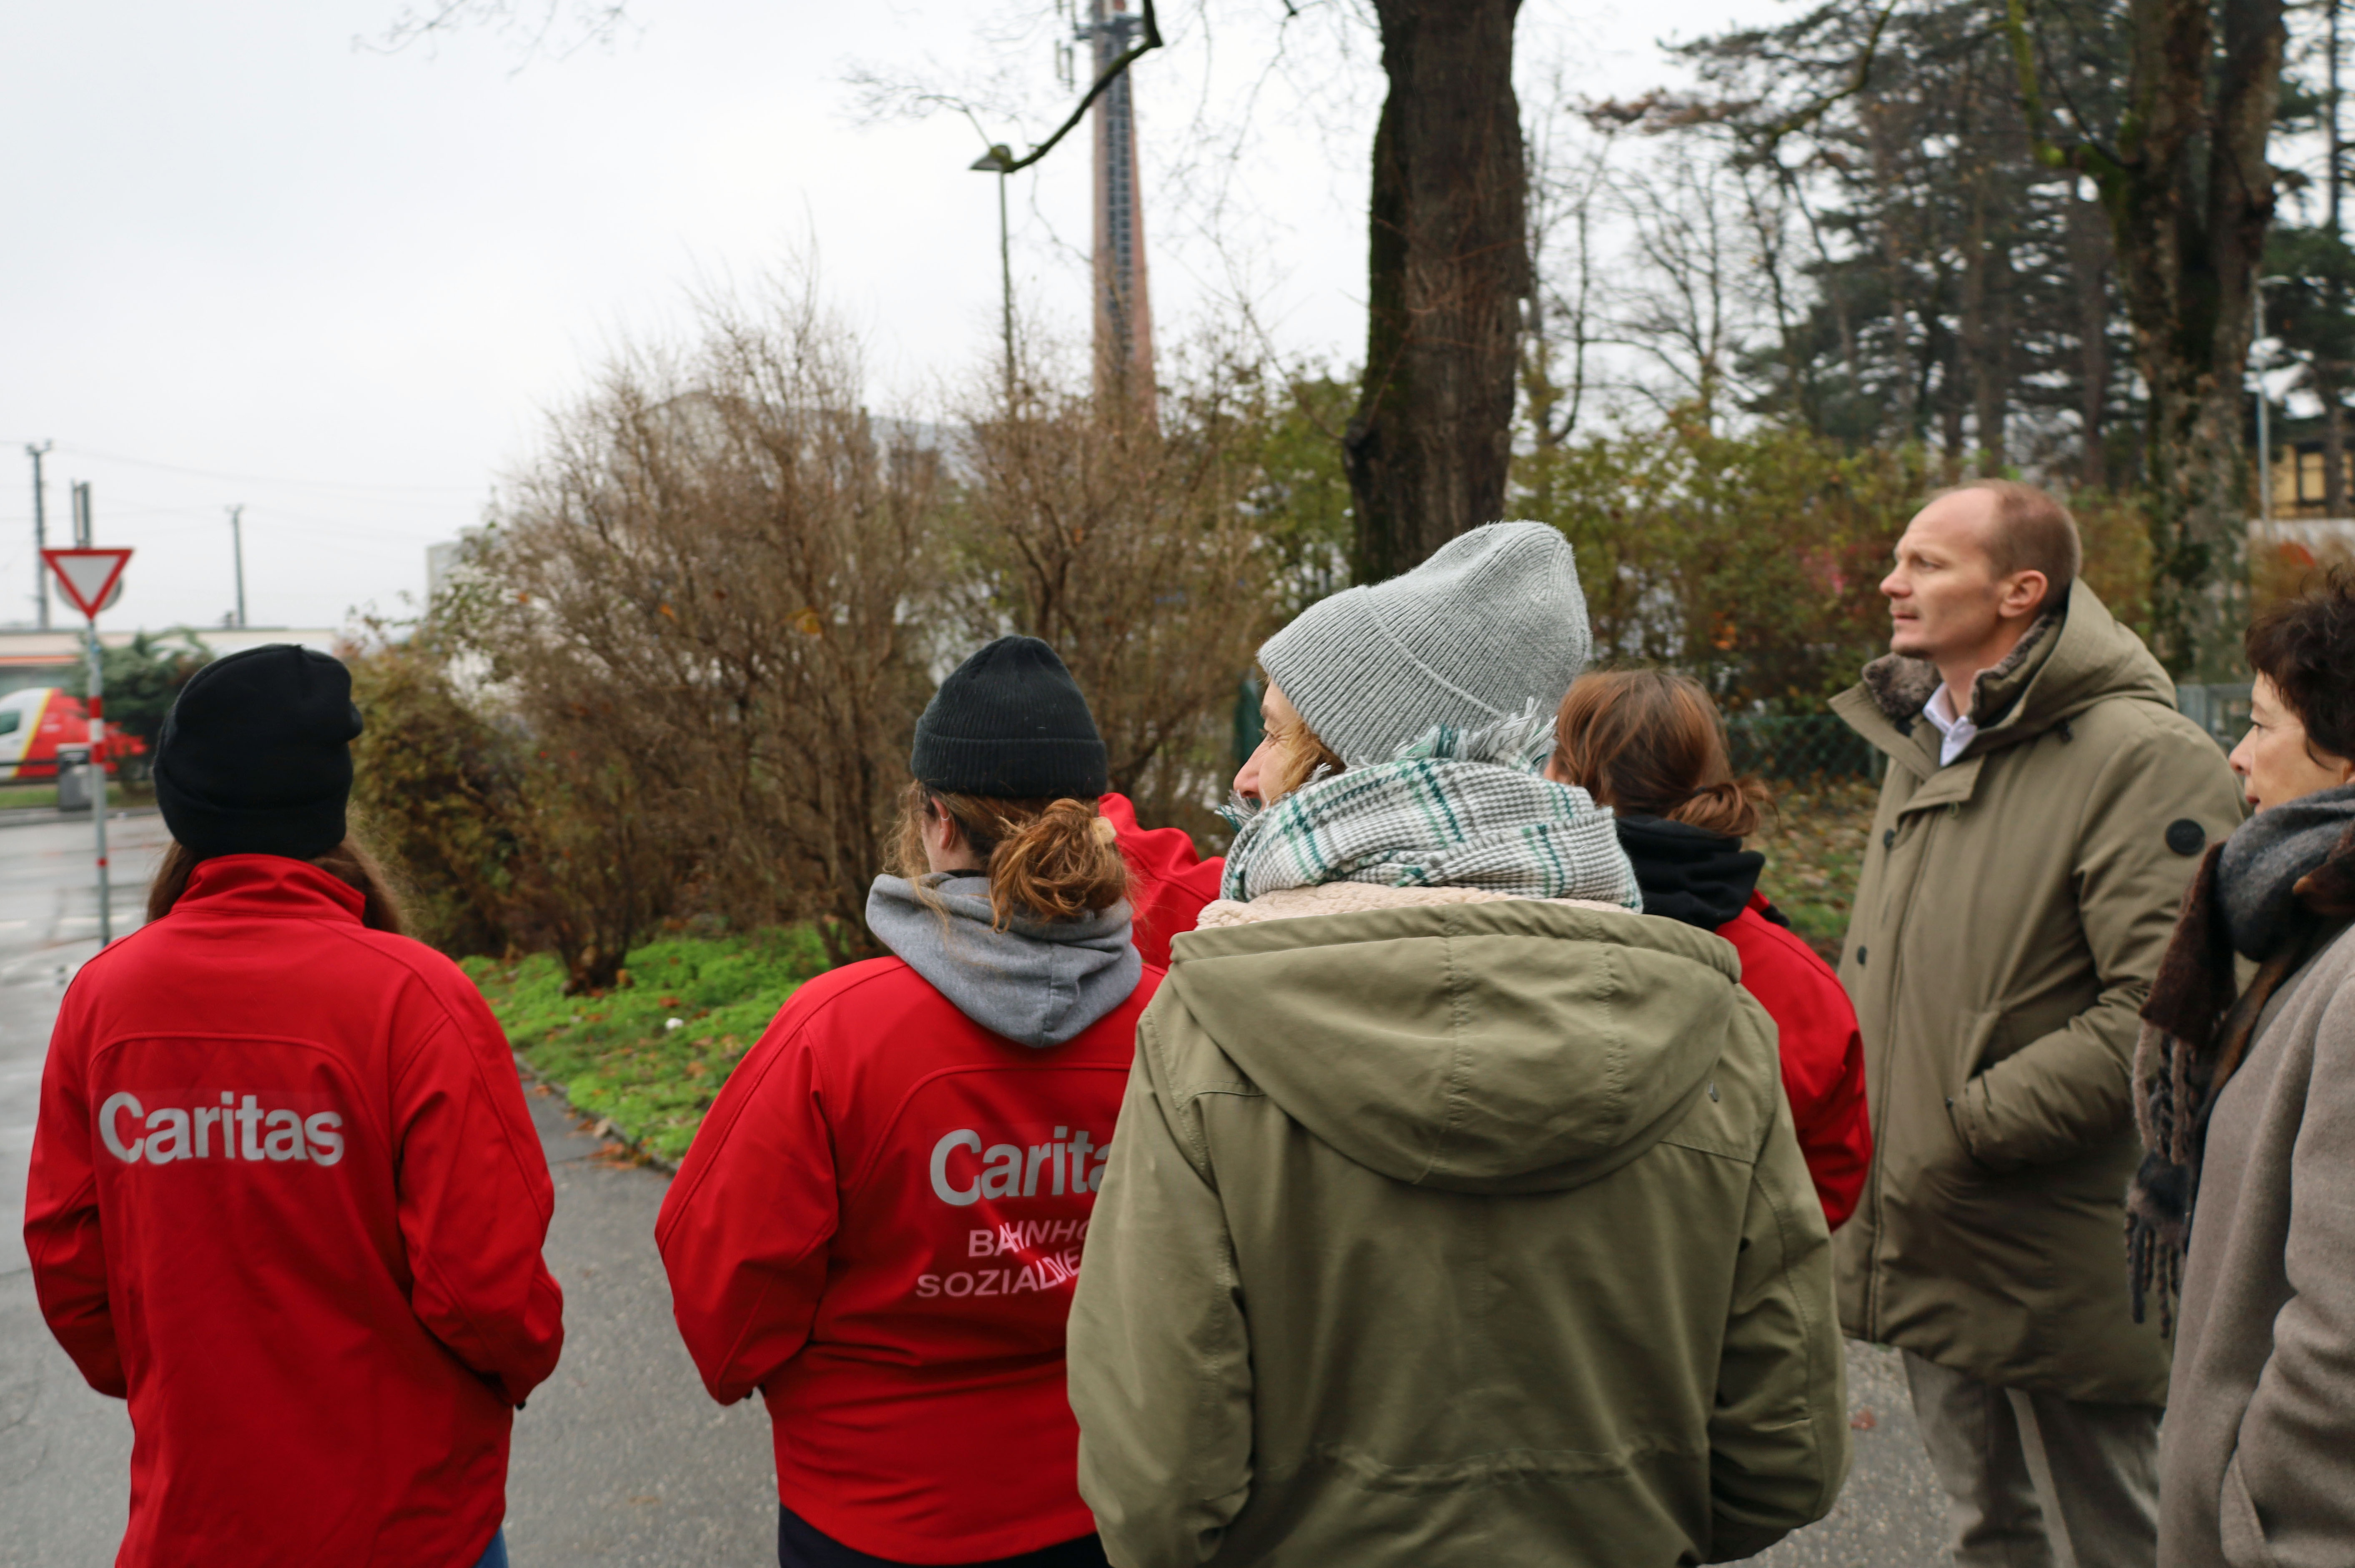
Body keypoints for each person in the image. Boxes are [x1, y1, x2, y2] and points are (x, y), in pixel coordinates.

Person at [1066, 522, 1850, 1568]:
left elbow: (1159, 1470)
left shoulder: (1206, 1028)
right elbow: (1784, 1452)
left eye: (1274, 735)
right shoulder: (1720, 1023)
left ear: (1350, 762)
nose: (1248, 780)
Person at [22, 644, 562, 1568]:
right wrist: (509, 1372)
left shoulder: (106, 1000)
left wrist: (181, 1377)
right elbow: (486, 1285)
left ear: (180, 804)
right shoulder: (417, 997)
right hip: (409, 1520)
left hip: (192, 1519)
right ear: (328, 803)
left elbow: (71, 1260)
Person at [658, 636, 1156, 1568]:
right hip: (1112, 1501)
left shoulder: (832, 1032)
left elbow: (727, 1286)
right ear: (1094, 820)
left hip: (871, 1511)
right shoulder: (1177, 1024)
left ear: (935, 822)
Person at [1831, 480, 2242, 1568]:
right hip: (1931, 1225)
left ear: (2021, 589)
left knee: (2122, 1540)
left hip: (2052, 1241)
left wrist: (1969, 1126)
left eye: (1925, 563)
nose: (1892, 583)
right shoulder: (1923, 736)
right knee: (1988, 1534)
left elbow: (2166, 1010)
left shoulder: (2140, 756)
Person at [2129, 569, 2355, 1568]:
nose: (2235, 753)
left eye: (2261, 724)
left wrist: (2260, 1514)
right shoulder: (2309, 925)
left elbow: (2342, 1332)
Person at [1547, 668, 1872, 1227]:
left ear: (1561, 779)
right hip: (1718, 1301)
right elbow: (1826, 1191)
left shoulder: (1503, 939)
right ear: (1712, 780)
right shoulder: (1806, 989)